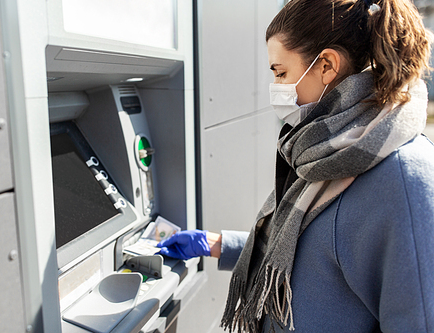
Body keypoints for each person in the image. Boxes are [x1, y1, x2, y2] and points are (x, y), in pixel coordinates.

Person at [158, 0, 434, 332]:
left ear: (327, 65)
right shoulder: (326, 151)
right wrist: (216, 245)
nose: (276, 88)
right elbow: (308, 255)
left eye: (281, 73)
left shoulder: (403, 181)